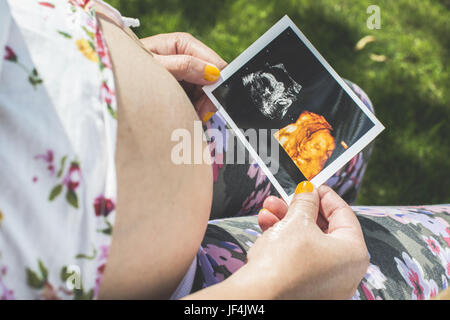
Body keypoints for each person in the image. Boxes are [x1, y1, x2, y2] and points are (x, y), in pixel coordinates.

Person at [0, 0, 448, 300]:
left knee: (348, 121)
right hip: (205, 290)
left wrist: (97, 63)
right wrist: (271, 288)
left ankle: (321, 226)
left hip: (181, 139)